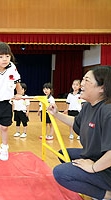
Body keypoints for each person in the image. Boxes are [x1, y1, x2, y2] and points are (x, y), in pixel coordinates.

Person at [47, 65, 111, 200]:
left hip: (107, 164)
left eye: (87, 80)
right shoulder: (88, 106)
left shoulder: (107, 111)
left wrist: (93, 167)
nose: (81, 84)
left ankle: (106, 194)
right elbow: (77, 123)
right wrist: (56, 114)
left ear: (102, 88)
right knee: (64, 154)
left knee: (61, 173)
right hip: (98, 156)